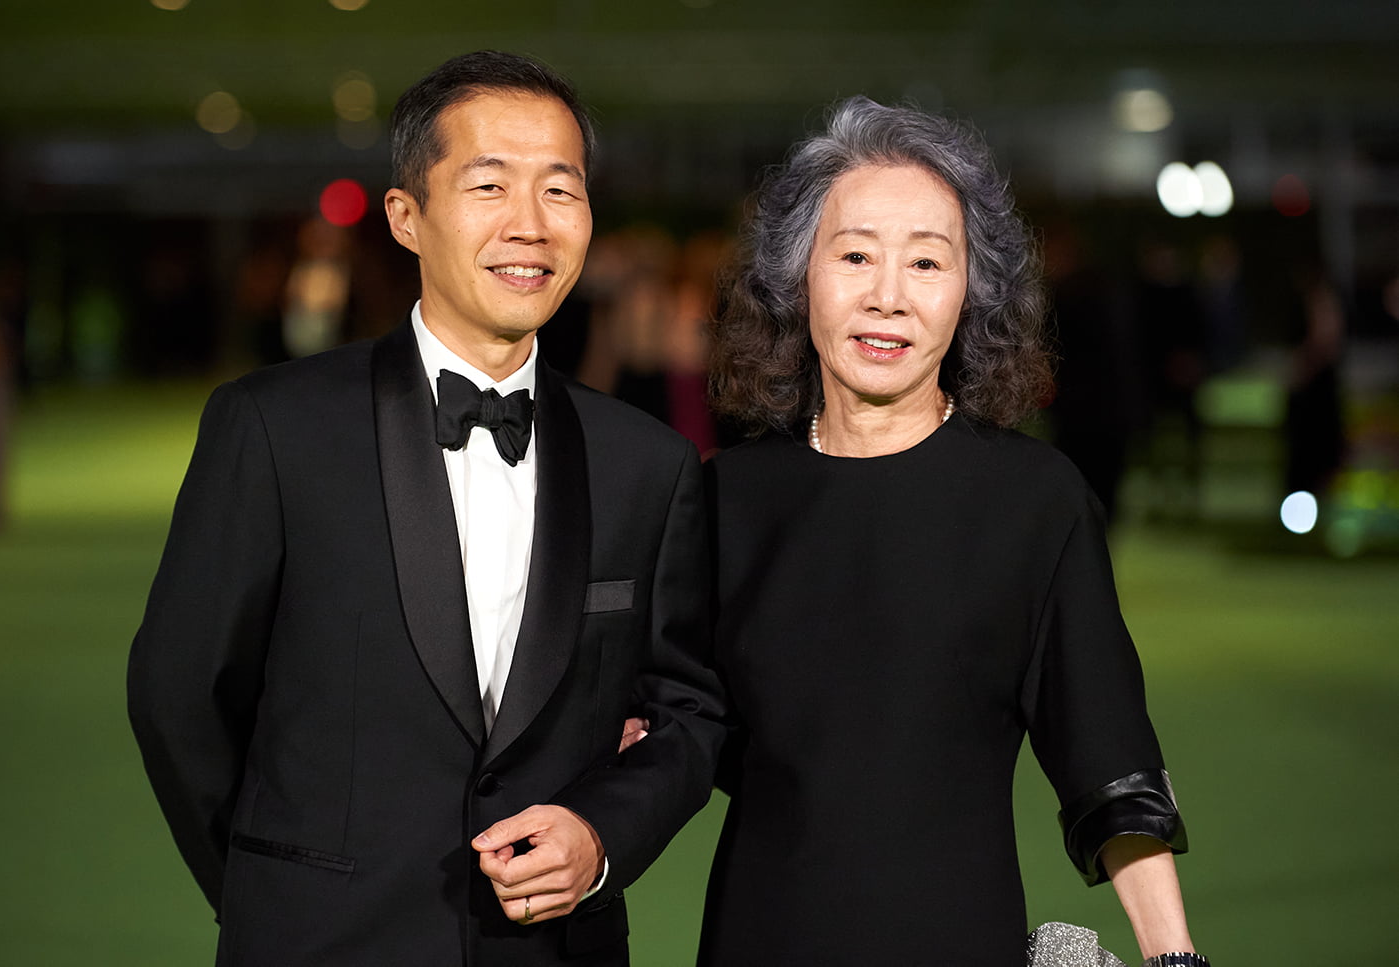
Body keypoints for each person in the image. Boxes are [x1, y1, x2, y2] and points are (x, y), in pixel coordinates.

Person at [128, 50, 724, 967]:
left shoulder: (648, 463)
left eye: (559, 192)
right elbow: (179, 695)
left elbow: (686, 711)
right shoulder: (274, 427)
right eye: (489, 185)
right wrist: (273, 891)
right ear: (408, 216)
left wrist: (601, 837)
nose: (530, 226)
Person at [697, 97, 1207, 966]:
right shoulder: (724, 498)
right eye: (854, 255)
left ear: (971, 289)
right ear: (796, 277)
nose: (887, 295)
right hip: (758, 935)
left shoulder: (1034, 501)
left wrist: (1175, 956)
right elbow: (676, 733)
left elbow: (1109, 760)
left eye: (927, 262)